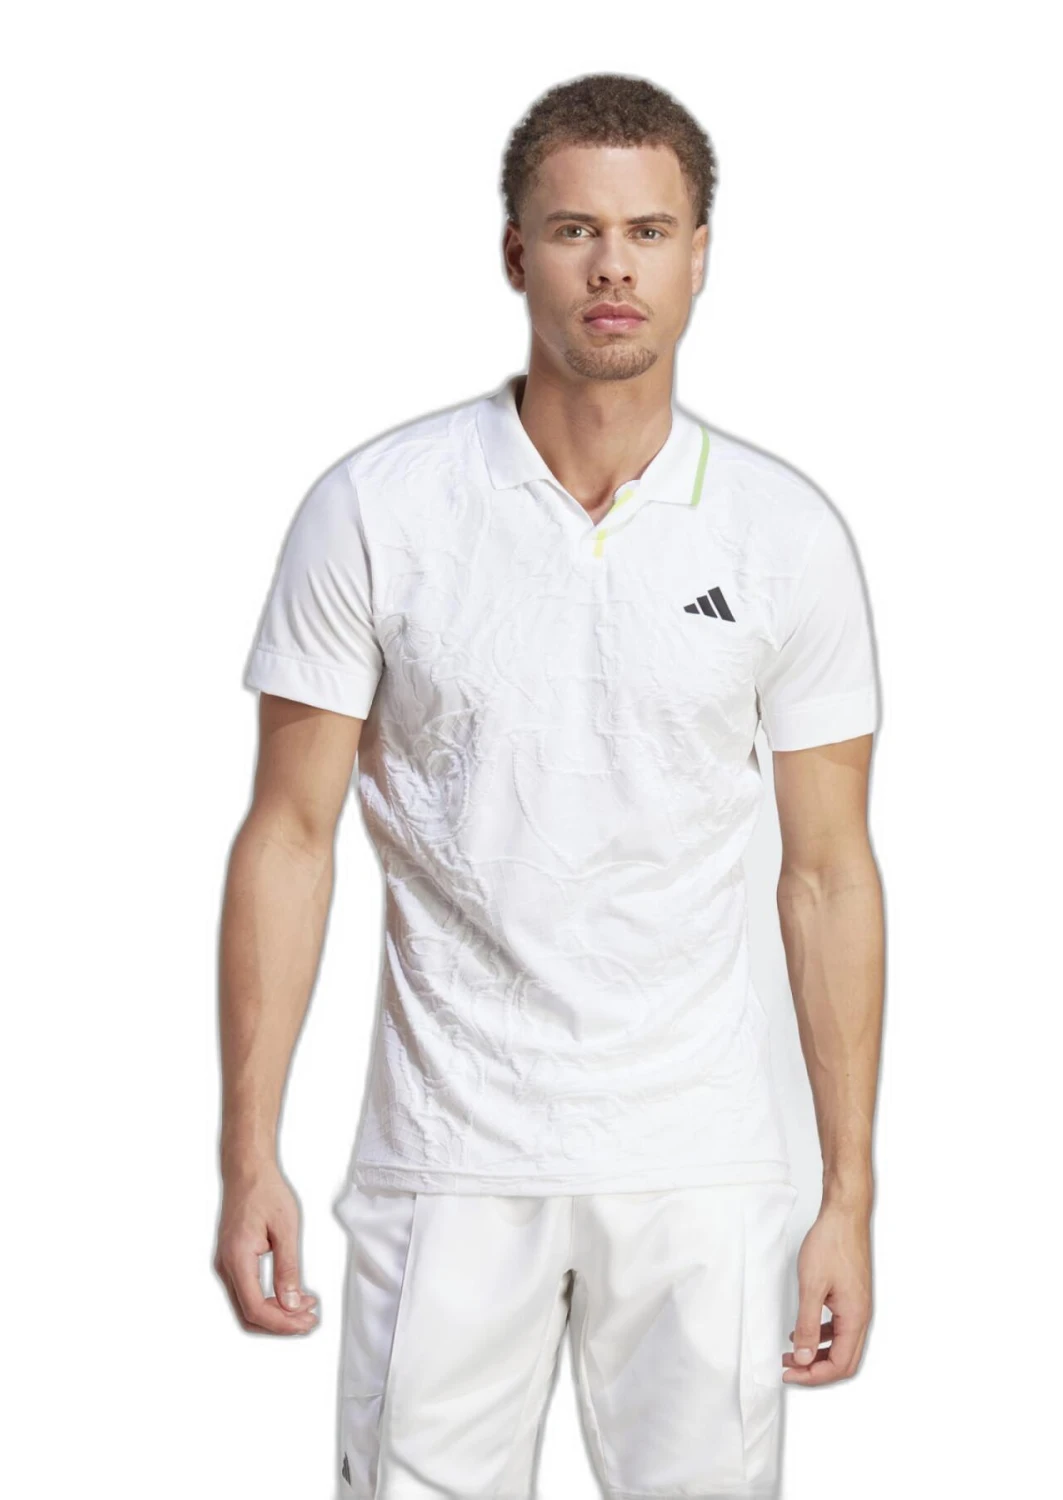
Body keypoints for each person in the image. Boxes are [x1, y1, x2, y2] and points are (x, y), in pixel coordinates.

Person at [214, 71, 886, 1500]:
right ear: (516, 253)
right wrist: (248, 1153)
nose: (613, 268)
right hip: (450, 1154)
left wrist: (850, 1194)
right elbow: (289, 837)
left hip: (699, 1159)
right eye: (576, 230)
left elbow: (829, 873)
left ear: (700, 256)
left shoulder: (783, 535)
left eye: (649, 232)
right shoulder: (379, 509)